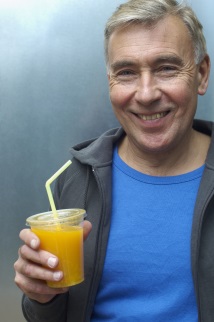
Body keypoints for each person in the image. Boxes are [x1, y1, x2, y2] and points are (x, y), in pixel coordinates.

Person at [14, 0, 213, 321]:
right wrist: (41, 297)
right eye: (127, 73)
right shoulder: (76, 179)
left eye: (166, 68)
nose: (146, 94)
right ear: (109, 81)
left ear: (201, 75)